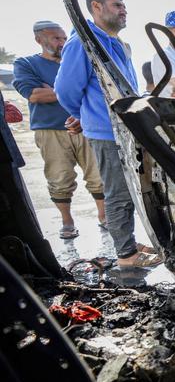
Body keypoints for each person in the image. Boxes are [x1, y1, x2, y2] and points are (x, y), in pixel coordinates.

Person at [55, 0, 162, 267]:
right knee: (118, 192)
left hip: (128, 128)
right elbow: (65, 89)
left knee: (137, 190)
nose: (123, 10)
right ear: (96, 7)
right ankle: (126, 256)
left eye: (124, 5)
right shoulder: (83, 42)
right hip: (106, 131)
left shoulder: (118, 43)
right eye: (117, 5)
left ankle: (128, 241)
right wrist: (86, 115)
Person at [13, 20, 106, 239]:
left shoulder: (76, 61)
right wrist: (71, 88)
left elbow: (96, 89)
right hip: (50, 130)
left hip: (86, 125)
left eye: (64, 38)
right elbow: (34, 94)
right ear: (39, 40)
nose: (62, 43)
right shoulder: (26, 63)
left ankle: (104, 217)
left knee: (97, 175)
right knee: (59, 177)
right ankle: (67, 221)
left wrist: (54, 90)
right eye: (56, 38)